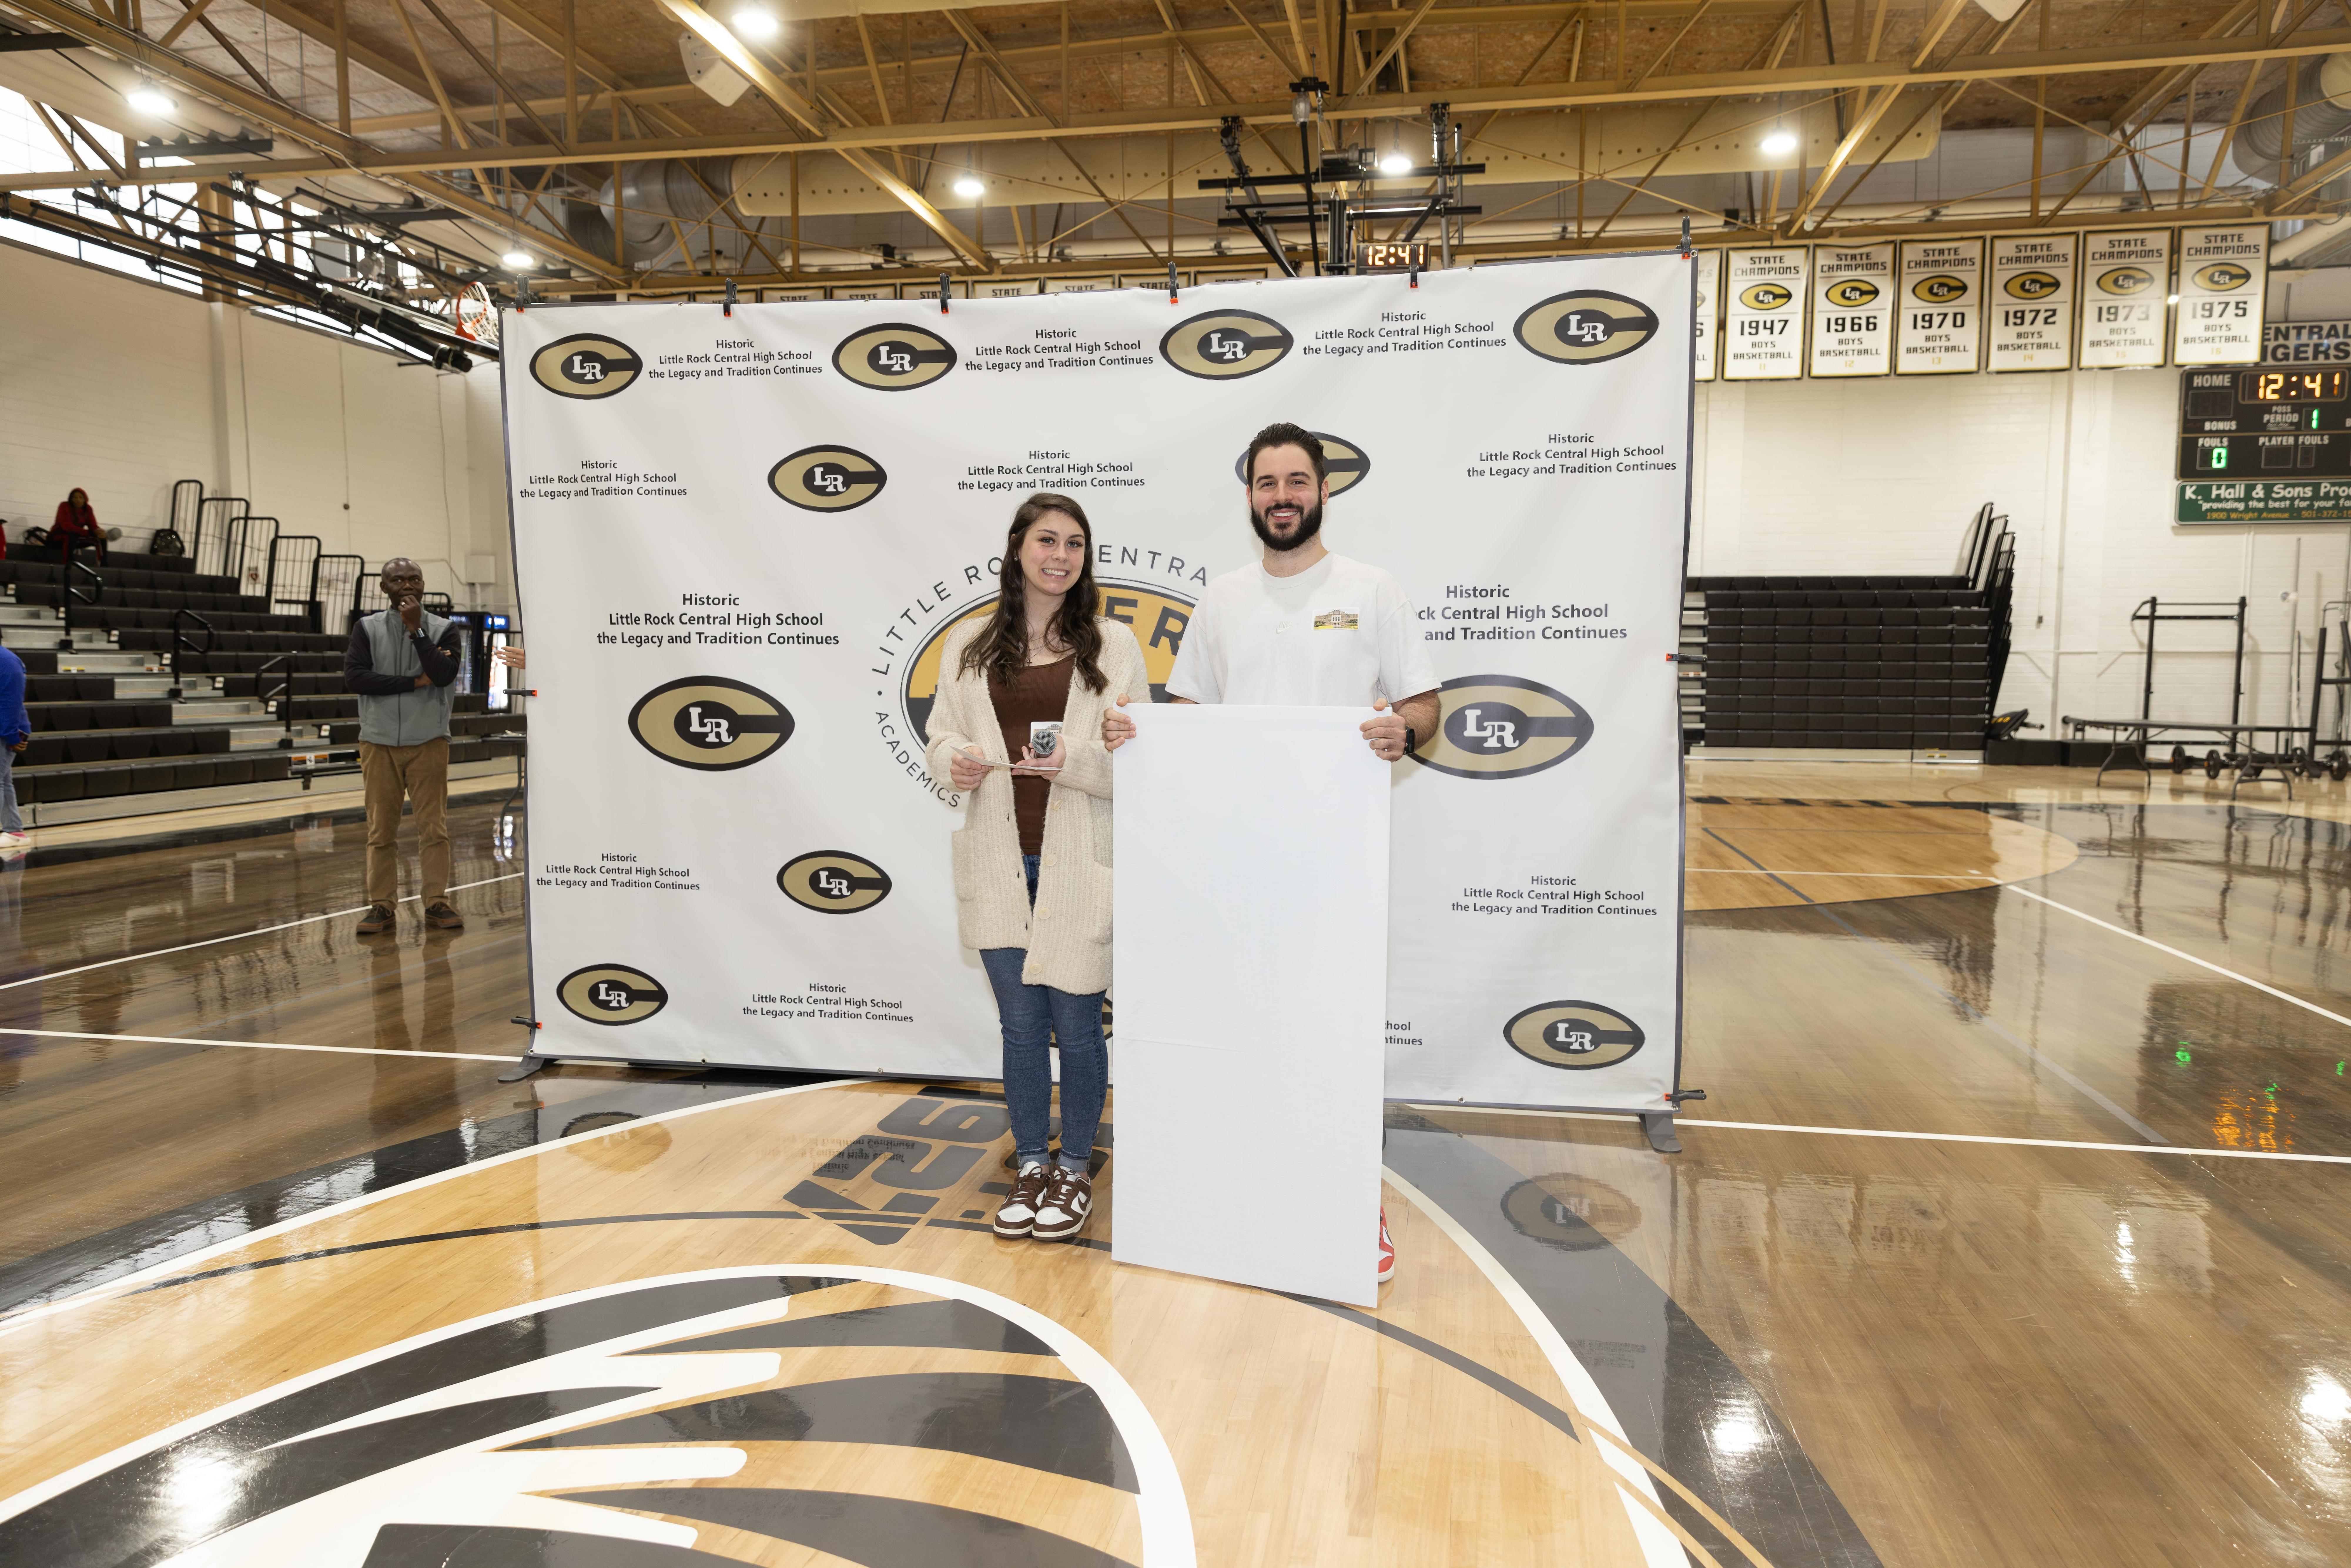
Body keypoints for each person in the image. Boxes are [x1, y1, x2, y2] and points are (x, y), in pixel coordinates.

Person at [1102, 421, 1440, 1284]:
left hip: (1333, 866)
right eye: (1265, 482)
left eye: (1295, 480)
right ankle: (1240, 1193)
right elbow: (1186, 718)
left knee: (1332, 1035)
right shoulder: (1219, 597)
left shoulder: (1372, 588)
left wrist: (1401, 728)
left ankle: (1348, 1205)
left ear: (1322, 490)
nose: (1280, 496)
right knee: (1236, 1031)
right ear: (1248, 494)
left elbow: (1423, 704)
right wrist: (1131, 730)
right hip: (1233, 866)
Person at [924, 492, 1149, 1244]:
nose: (1060, 556)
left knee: (1078, 1028)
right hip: (997, 859)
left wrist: (1073, 760)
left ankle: (1075, 1169)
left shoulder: (1112, 648)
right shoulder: (965, 646)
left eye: (1075, 545)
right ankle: (1029, 1164)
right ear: (1018, 547)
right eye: (1047, 540)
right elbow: (940, 738)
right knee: (1020, 1031)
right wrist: (948, 762)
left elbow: (1140, 763)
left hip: (1077, 865)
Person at [344, 558, 464, 935]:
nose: (407, 585)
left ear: (424, 584)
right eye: (398, 580)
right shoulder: (366, 628)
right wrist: (413, 683)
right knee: (381, 831)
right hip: (378, 742)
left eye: (414, 579)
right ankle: (381, 906)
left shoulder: (444, 630)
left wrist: (416, 631)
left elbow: (443, 674)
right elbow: (356, 678)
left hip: (428, 741)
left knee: (434, 828)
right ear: (385, 588)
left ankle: (437, 902)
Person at [0, 644, 27, 851]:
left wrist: (11, 735)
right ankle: (14, 831)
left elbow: (12, 702)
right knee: (4, 779)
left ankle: (13, 830)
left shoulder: (7, 662)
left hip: (7, 730)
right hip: (6, 728)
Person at [49, 489, 104, 567]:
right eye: (75, 498)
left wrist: (98, 532)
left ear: (85, 500)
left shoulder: (88, 509)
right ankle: (67, 564)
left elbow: (93, 525)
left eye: (81, 498)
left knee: (102, 538)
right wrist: (89, 532)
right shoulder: (64, 506)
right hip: (58, 537)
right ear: (71, 499)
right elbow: (67, 527)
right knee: (71, 535)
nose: (78, 500)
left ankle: (103, 565)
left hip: (76, 537)